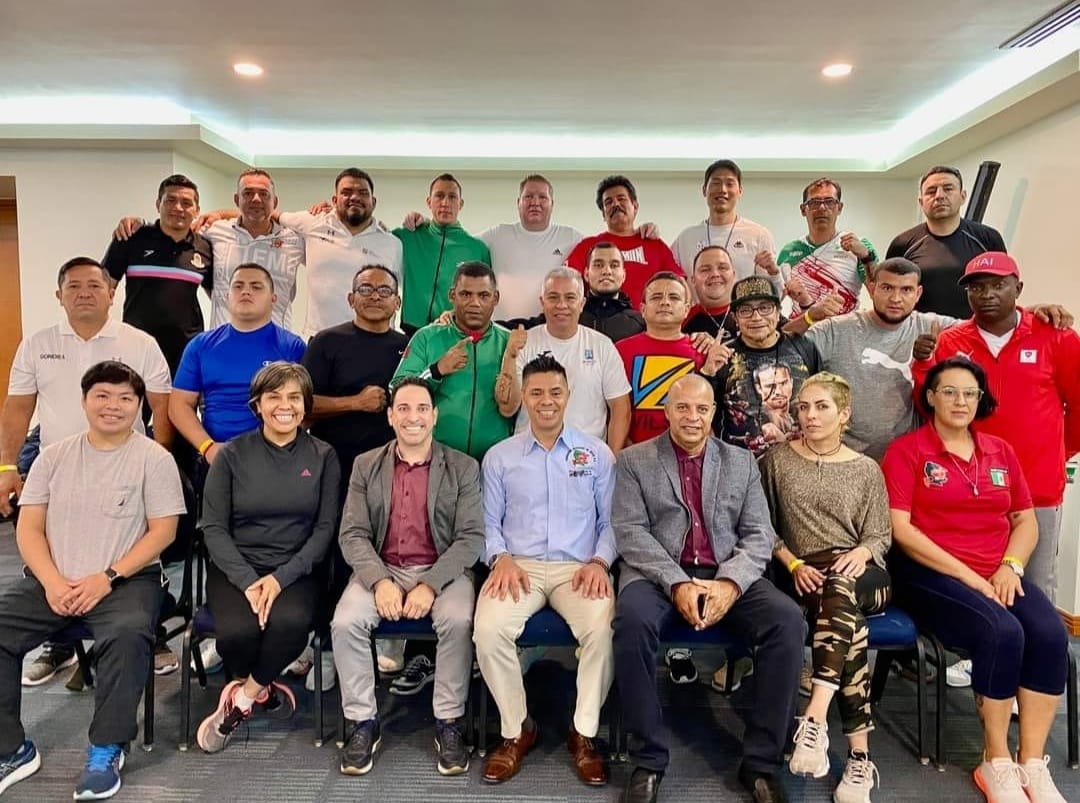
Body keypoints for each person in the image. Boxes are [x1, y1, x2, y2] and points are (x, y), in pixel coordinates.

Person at [883, 357, 1070, 803]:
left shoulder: (1000, 451)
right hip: (929, 573)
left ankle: (1031, 763)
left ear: (981, 400)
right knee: (1002, 632)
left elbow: (1025, 520)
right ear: (931, 397)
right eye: (949, 391)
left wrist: (1011, 566)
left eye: (970, 393)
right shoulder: (907, 452)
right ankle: (996, 760)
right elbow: (901, 530)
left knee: (1049, 633)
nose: (960, 401)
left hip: (997, 571)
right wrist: (971, 578)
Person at [612, 374, 805, 803]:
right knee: (631, 621)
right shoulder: (634, 460)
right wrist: (677, 582)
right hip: (657, 573)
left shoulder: (740, 462)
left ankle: (761, 763)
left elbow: (759, 534)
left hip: (726, 571)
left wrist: (730, 584)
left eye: (701, 409)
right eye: (682, 407)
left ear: (713, 413)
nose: (692, 417)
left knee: (787, 621)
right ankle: (648, 759)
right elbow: (630, 533)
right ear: (666, 411)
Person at [0, 361, 185, 800]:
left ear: (139, 406)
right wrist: (52, 581)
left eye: (125, 398)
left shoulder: (154, 459)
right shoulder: (53, 457)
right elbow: (29, 528)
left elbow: (164, 532)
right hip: (54, 579)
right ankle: (12, 749)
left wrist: (107, 577)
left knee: (127, 635)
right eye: (102, 395)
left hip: (126, 581)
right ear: (84, 401)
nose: (113, 406)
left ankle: (107, 748)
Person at [1, 257, 172, 684]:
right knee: (57, 554)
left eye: (94, 286)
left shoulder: (139, 342)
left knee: (129, 561)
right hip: (58, 472)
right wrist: (7, 465)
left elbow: (162, 407)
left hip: (125, 471)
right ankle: (59, 645)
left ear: (112, 294)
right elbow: (18, 409)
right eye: (73, 286)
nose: (84, 294)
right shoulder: (37, 344)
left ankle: (144, 634)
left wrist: (160, 462)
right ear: (58, 295)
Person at [330, 376, 483, 776]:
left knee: (458, 620)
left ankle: (448, 721)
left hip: (442, 570)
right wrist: (379, 581)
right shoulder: (366, 465)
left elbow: (471, 538)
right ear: (390, 416)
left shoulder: (463, 467)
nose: (412, 417)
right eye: (403, 409)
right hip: (382, 568)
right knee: (345, 622)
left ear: (434, 416)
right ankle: (363, 721)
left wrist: (430, 584)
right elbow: (352, 533)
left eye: (421, 409)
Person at [476, 354, 616, 786]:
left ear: (568, 395)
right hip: (518, 566)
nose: (546, 401)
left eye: (555, 392)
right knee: (488, 630)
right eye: (536, 393)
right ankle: (517, 729)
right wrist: (499, 558)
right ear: (524, 397)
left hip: (580, 568)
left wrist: (600, 561)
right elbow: (487, 523)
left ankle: (583, 732)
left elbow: (612, 523)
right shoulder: (500, 457)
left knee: (603, 630)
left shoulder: (596, 454)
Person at [911, 252, 1080, 605]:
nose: (986, 294)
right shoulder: (951, 341)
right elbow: (931, 408)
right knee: (976, 590)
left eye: (997, 285)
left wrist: (1057, 454)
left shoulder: (1056, 336)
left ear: (1018, 288)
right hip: (974, 487)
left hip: (1038, 488)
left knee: (1036, 590)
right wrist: (923, 364)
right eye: (976, 288)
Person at [195, 362, 339, 753]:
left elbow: (325, 529)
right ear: (257, 405)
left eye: (294, 397)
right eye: (274, 397)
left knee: (290, 623)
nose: (285, 406)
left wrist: (278, 579)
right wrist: (248, 581)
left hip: (297, 569)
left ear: (305, 405)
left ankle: (241, 700)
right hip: (236, 567)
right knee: (237, 633)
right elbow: (213, 528)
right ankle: (262, 688)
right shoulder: (230, 455)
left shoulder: (323, 455)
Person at [760, 373, 891, 802]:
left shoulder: (866, 468)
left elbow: (880, 534)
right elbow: (761, 527)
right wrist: (792, 562)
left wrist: (863, 552)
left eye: (821, 407)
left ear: (844, 414)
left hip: (865, 573)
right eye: (803, 407)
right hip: (805, 572)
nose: (810, 415)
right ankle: (859, 758)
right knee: (849, 627)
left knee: (841, 587)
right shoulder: (777, 461)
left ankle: (814, 716)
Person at [111, 168, 306, 331]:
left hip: (277, 345)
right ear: (237, 200)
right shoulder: (213, 231)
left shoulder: (295, 240)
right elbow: (176, 225)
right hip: (222, 347)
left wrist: (220, 212)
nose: (256, 199)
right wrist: (138, 223)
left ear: (275, 202)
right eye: (247, 193)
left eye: (264, 194)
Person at [169, 264, 306, 466]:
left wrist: (279, 446)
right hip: (216, 457)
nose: (246, 291)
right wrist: (208, 448)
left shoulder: (292, 347)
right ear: (227, 296)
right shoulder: (200, 346)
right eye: (238, 286)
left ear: (273, 299)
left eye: (256, 287)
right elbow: (179, 405)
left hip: (275, 458)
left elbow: (305, 408)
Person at [391, 262, 520, 461]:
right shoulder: (427, 337)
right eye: (466, 294)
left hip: (495, 462)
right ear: (452, 295)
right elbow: (396, 389)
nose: (475, 303)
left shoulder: (510, 342)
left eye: (483, 295)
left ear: (495, 298)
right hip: (436, 460)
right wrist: (436, 370)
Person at [101, 174, 213, 374]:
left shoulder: (204, 247)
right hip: (137, 346)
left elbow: (219, 297)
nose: (178, 207)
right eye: (170, 200)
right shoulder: (132, 238)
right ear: (157, 204)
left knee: (182, 397)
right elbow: (103, 287)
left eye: (186, 203)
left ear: (197, 211)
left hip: (187, 349)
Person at [511, 268, 631, 450]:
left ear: (582, 303)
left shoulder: (602, 346)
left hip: (586, 457)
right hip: (530, 454)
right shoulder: (524, 343)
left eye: (570, 298)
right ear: (542, 302)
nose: (561, 305)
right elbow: (509, 406)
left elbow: (621, 408)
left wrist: (612, 459)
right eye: (553, 297)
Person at [709, 276, 821, 457]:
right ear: (735, 317)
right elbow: (706, 415)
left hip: (802, 461)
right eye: (745, 310)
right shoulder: (723, 357)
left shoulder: (803, 347)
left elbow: (822, 400)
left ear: (778, 312)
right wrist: (707, 372)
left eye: (765, 307)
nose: (756, 317)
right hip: (741, 466)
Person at [616, 272, 723, 446]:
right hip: (634, 452)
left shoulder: (703, 350)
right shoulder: (620, 351)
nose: (665, 302)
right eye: (656, 297)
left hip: (689, 453)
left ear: (687, 309)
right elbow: (613, 410)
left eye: (674, 297)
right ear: (642, 309)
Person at [886, 165, 1006, 318]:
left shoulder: (988, 239)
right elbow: (888, 293)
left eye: (948, 189)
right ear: (921, 202)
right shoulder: (902, 244)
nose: (939, 196)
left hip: (975, 329)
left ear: (963, 196)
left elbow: (1005, 288)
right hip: (921, 331)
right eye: (931, 191)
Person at [394, 174, 491, 335]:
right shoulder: (407, 237)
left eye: (452, 197)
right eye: (439, 195)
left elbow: (486, 295)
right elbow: (378, 240)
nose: (445, 203)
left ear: (461, 204)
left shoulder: (477, 249)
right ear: (429, 202)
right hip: (412, 332)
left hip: (455, 332)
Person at [565, 175, 681, 308]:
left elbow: (680, 284)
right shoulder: (587, 246)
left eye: (621, 199)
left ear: (635, 206)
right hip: (598, 319)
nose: (615, 204)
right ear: (603, 214)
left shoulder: (655, 245)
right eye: (608, 202)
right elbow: (566, 283)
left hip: (649, 320)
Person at [480, 174, 583, 322]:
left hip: (550, 329)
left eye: (542, 197)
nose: (535, 202)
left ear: (552, 204)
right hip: (502, 328)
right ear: (518, 202)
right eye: (528, 196)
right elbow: (463, 247)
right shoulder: (497, 234)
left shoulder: (571, 237)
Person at [671, 159, 781, 294]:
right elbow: (665, 281)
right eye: (716, 183)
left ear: (740, 191)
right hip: (698, 308)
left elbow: (773, 296)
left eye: (729, 184)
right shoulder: (686, 238)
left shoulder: (758, 235)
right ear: (704, 190)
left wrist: (775, 273)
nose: (722, 190)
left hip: (742, 308)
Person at [777, 178, 877, 319]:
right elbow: (775, 302)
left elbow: (877, 295)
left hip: (844, 329)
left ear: (839, 207)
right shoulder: (789, 251)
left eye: (829, 202)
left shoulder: (860, 245)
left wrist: (866, 257)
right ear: (803, 210)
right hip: (801, 329)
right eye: (814, 202)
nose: (822, 208)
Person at [578, 242, 646, 342]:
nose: (607, 271)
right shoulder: (572, 316)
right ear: (586, 274)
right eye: (598, 265)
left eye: (614, 265)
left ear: (623, 275)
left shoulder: (641, 323)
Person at [682, 245, 739, 340]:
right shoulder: (681, 320)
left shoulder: (752, 313)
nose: (715, 274)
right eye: (705, 269)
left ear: (733, 275)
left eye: (722, 268)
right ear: (693, 280)